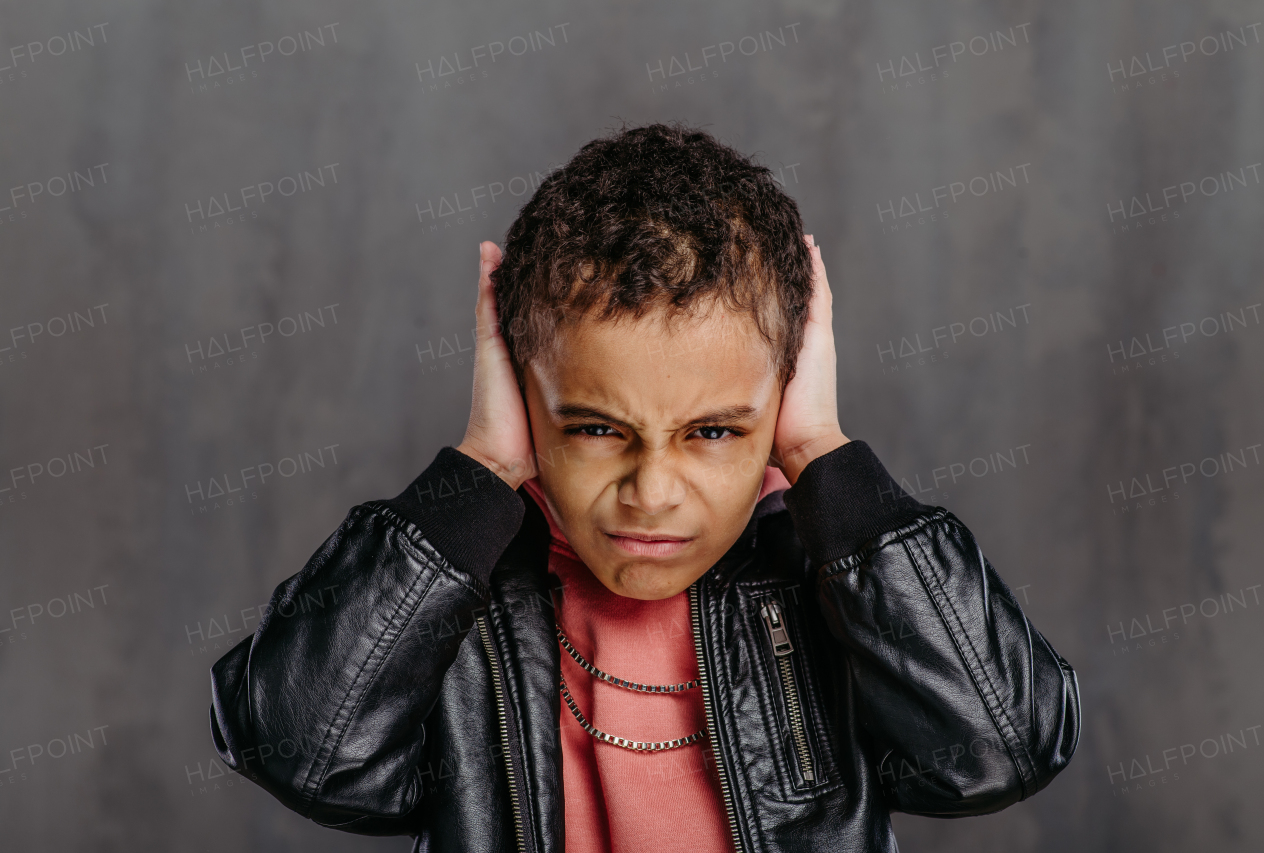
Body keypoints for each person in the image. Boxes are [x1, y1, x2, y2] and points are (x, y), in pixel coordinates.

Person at [209, 123, 1080, 853]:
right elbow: (298, 750)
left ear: (780, 399)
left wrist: (824, 453)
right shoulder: (460, 593)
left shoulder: (828, 575)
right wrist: (479, 472)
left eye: (713, 431)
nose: (653, 490)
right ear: (519, 389)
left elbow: (1001, 750)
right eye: (596, 428)